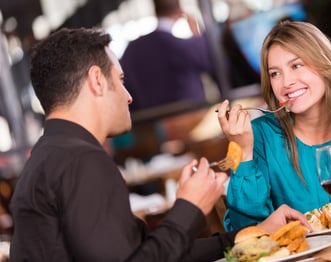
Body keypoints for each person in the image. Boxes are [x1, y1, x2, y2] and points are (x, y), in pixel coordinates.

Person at [9, 27, 310, 261]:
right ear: (97, 81)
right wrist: (190, 207)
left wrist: (252, 235)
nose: (128, 96)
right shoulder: (81, 160)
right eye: (121, 79)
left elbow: (149, 253)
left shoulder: (50, 157)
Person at [216, 20, 331, 231]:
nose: (286, 82)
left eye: (296, 65)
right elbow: (247, 232)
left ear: (326, 65)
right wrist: (243, 153)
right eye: (275, 73)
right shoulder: (258, 137)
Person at [119, 0, 217, 111]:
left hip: (148, 123)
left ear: (155, 9)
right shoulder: (183, 47)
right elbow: (214, 65)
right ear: (180, 10)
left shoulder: (132, 49)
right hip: (191, 117)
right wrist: (198, 35)